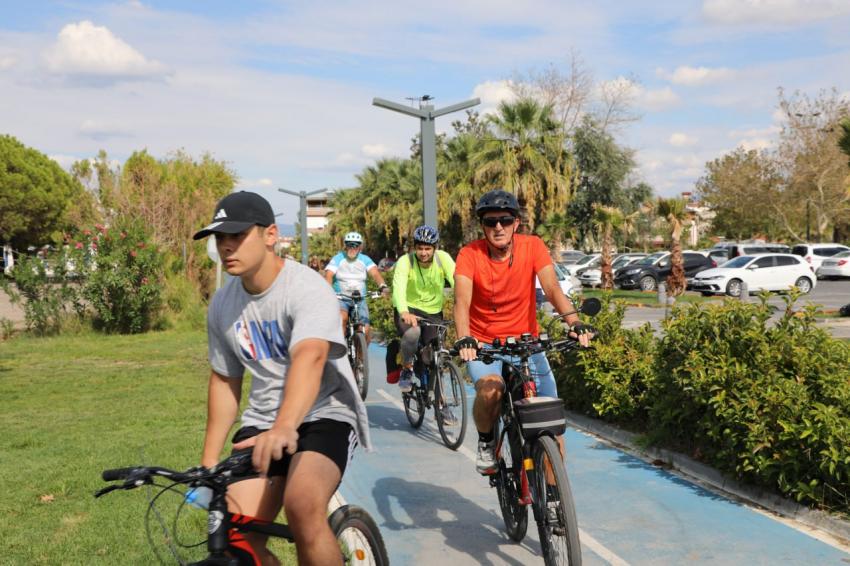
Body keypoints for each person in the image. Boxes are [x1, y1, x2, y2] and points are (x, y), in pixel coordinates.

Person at [192, 191, 371, 565]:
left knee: (302, 504)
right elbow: (225, 381)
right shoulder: (223, 304)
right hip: (262, 422)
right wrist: (208, 466)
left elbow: (311, 356)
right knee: (235, 533)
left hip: (324, 413)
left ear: (270, 235)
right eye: (220, 238)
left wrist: (287, 426)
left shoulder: (305, 287)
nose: (226, 247)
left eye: (237, 236)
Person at [453, 189, 593, 474]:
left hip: (527, 344)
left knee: (551, 428)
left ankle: (555, 509)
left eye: (505, 220)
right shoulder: (469, 254)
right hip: (485, 347)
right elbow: (461, 301)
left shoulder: (533, 246)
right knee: (491, 391)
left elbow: (553, 289)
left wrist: (574, 323)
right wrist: (464, 338)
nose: (498, 227)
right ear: (483, 226)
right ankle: (485, 440)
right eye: (491, 222)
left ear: (516, 223)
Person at [391, 225, 456, 416]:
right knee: (413, 332)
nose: (423, 252)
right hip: (408, 309)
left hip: (433, 312)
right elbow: (398, 288)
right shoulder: (406, 261)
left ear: (434, 248)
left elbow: (457, 281)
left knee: (435, 358)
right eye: (420, 248)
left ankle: (440, 404)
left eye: (428, 248)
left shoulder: (443, 259)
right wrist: (404, 311)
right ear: (414, 248)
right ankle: (407, 368)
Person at [324, 232, 389, 341]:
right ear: (345, 245)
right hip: (341, 298)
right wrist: (328, 291)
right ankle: (341, 348)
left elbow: (375, 274)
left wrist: (382, 286)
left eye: (356, 245)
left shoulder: (365, 259)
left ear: (360, 247)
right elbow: (329, 275)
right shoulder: (338, 258)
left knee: (366, 330)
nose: (352, 248)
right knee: (342, 319)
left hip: (359, 299)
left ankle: (361, 356)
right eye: (350, 245)